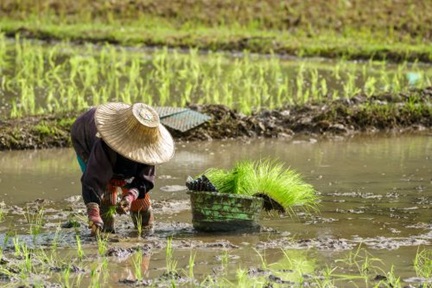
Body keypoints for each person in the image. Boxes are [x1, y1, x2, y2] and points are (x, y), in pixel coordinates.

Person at [71, 102, 175, 235]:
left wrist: (130, 197)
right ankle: (105, 231)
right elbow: (93, 179)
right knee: (107, 194)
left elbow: (144, 181)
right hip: (85, 136)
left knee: (141, 207)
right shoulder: (103, 144)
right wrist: (93, 212)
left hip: (119, 155)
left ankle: (144, 229)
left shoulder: (149, 148)